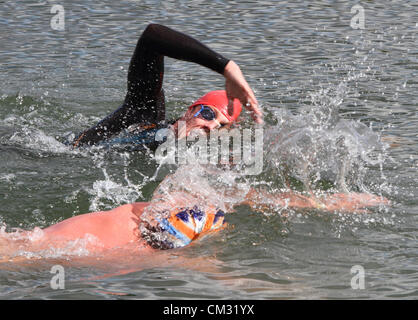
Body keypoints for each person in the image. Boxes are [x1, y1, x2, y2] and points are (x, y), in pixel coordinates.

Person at [12, 185, 388, 255]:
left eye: (219, 121)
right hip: (74, 248)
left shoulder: (143, 236)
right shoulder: (143, 212)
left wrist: (322, 203)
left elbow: (246, 198)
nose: (210, 126)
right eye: (207, 112)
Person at [72, 24, 262, 148]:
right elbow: (152, 37)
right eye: (208, 114)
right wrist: (227, 68)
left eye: (221, 126)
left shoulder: (195, 157)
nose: (211, 126)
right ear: (190, 110)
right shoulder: (144, 114)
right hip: (61, 155)